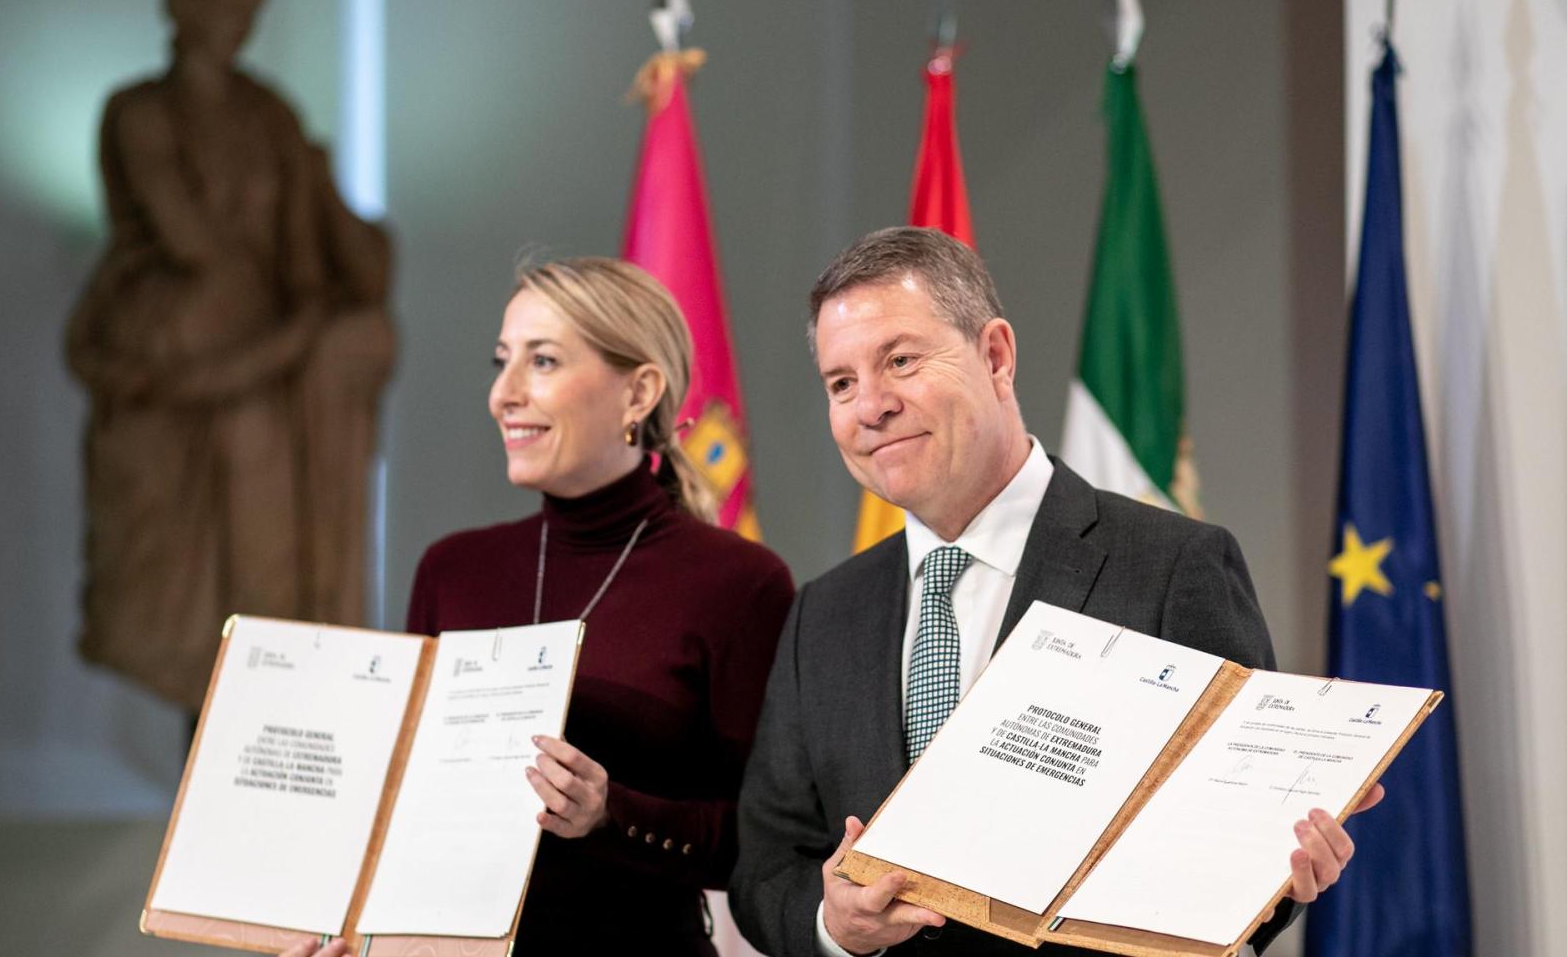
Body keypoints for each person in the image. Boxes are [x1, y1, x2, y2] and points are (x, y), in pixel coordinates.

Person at [728, 227, 1380, 957]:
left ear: (996, 356)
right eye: (841, 383)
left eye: (901, 361)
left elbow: (1241, 841)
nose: (869, 407)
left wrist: (1274, 877)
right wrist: (834, 925)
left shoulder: (1172, 567)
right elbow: (765, 868)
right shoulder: (824, 611)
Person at [287, 257, 793, 957]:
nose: (504, 394)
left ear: (639, 391)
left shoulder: (738, 582)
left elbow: (769, 839)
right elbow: (405, 816)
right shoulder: (452, 570)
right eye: (502, 362)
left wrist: (612, 812)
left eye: (543, 361)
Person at [66, 0, 394, 712]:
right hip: (188, 337)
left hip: (260, 352)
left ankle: (263, 679)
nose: (238, 12)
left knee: (260, 466)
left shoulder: (270, 114)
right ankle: (210, 671)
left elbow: (307, 264)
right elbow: (185, 237)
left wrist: (297, 319)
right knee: (231, 445)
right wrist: (251, 345)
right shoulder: (139, 113)